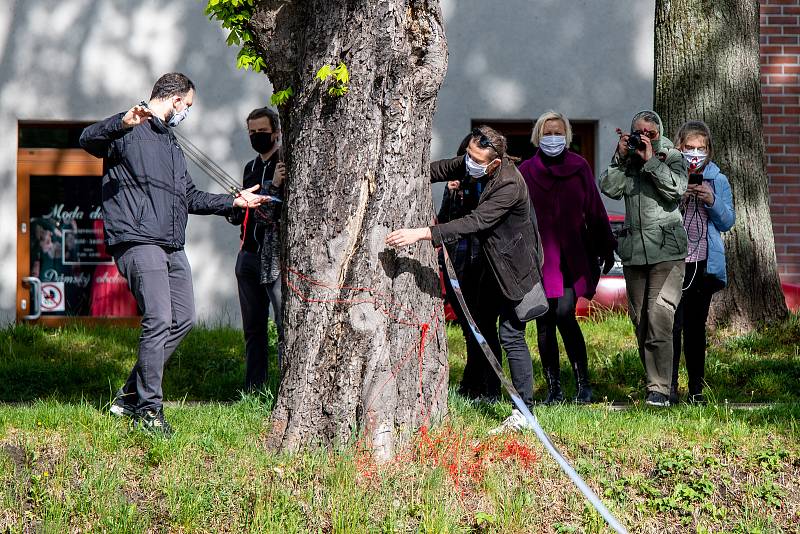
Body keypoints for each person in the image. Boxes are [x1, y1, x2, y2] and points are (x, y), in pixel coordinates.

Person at [80, 72, 266, 436]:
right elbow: (87, 139)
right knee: (159, 317)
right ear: (176, 99)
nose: (187, 113)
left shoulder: (171, 143)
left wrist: (234, 201)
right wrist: (122, 121)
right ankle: (150, 411)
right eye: (189, 106)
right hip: (138, 240)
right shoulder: (128, 128)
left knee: (183, 318)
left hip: (171, 244)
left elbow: (191, 197)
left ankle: (130, 396)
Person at [386, 126, 540, 432]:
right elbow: (437, 169)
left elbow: (476, 221)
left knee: (512, 336)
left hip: (514, 269)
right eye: (467, 154)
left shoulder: (509, 183)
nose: (468, 161)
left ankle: (524, 410)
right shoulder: (473, 160)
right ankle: (487, 391)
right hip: (488, 267)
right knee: (481, 326)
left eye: (475, 158)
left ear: (495, 163)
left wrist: (422, 233)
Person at [519, 111, 616, 404]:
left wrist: (606, 245)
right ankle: (554, 389)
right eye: (547, 133)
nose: (552, 138)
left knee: (564, 314)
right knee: (544, 321)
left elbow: (595, 209)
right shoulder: (526, 171)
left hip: (573, 257)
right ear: (538, 136)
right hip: (540, 260)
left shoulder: (579, 167)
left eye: (557, 132)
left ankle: (583, 384)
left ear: (567, 135)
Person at [599, 110, 688, 407]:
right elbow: (609, 188)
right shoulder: (628, 162)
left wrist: (650, 159)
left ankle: (660, 389)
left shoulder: (672, 157)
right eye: (639, 132)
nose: (644, 138)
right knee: (641, 320)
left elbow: (676, 190)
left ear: (659, 134)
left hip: (668, 252)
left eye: (650, 133)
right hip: (636, 252)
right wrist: (620, 157)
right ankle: (654, 383)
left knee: (660, 316)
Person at [670, 120, 735, 404]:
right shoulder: (670, 175)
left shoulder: (717, 179)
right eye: (689, 148)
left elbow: (727, 221)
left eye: (700, 148)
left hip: (703, 263)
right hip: (673, 262)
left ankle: (696, 389)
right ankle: (668, 388)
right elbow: (660, 215)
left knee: (695, 328)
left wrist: (711, 200)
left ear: (708, 150)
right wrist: (680, 199)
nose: (695, 154)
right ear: (679, 147)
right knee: (671, 326)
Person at [227, 107, 286, 391]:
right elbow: (243, 212)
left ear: (275, 132)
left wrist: (273, 187)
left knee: (284, 324)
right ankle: (254, 389)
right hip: (247, 254)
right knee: (253, 329)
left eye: (262, 132)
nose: (256, 137)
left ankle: (286, 390)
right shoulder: (250, 167)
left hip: (274, 259)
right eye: (252, 133)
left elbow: (273, 212)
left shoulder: (284, 163)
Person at [436, 135, 487, 400]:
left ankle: (478, 384)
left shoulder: (489, 184)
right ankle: (472, 382)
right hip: (456, 260)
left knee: (479, 324)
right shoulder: (456, 183)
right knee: (466, 326)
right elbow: (444, 220)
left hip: (481, 262)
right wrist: (451, 193)